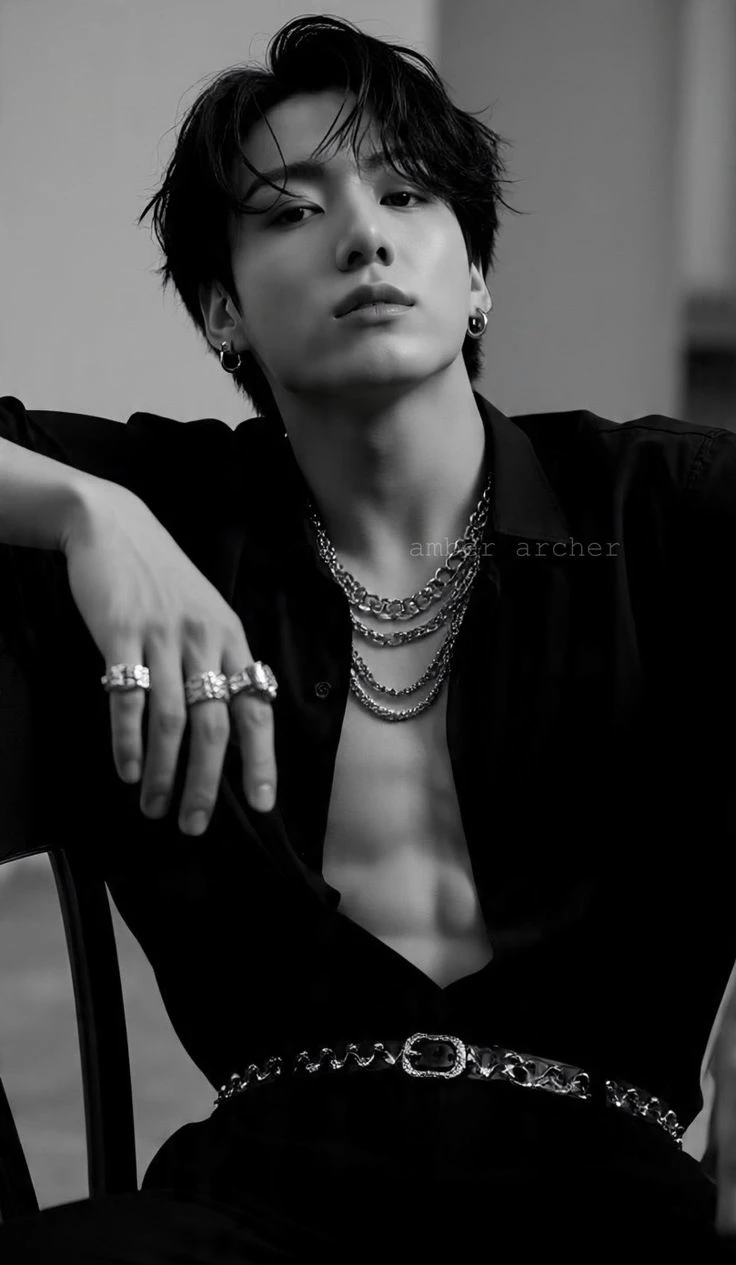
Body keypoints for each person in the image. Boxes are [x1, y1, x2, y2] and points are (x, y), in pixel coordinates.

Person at [0, 12, 735, 1262]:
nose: (363, 235)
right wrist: (87, 511)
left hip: (609, 1206)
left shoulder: (659, 507)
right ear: (224, 309)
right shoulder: (173, 513)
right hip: (255, 1205)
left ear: (476, 276)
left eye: (405, 194)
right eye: (290, 210)